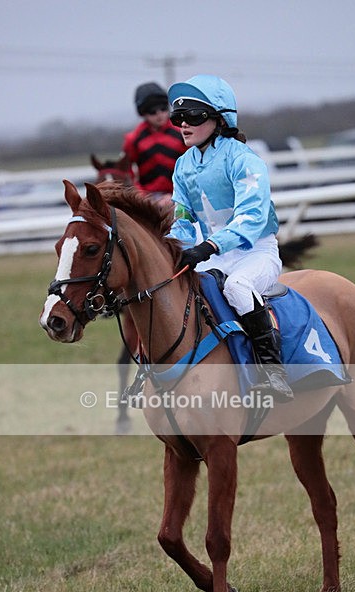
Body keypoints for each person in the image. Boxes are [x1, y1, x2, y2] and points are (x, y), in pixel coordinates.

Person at [168, 74, 293, 402]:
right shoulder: (183, 166)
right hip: (213, 255)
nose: (183, 125)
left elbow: (251, 218)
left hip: (255, 252)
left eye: (193, 117)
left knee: (237, 286)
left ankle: (272, 371)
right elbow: (181, 218)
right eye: (178, 118)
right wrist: (174, 247)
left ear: (219, 119)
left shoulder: (243, 159)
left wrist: (209, 246)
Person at [123, 82, 187, 200]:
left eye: (163, 109)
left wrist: (178, 194)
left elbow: (192, 166)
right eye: (152, 111)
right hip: (147, 199)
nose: (159, 114)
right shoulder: (133, 139)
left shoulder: (183, 133)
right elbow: (127, 172)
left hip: (181, 195)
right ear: (143, 113)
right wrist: (142, 196)